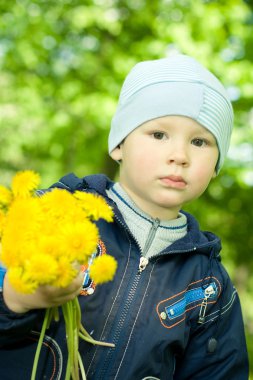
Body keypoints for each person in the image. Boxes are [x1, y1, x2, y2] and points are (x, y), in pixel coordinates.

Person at [0, 54, 249, 379]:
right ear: (119, 145)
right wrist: (15, 298)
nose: (180, 156)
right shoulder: (55, 214)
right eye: (159, 134)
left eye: (200, 141)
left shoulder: (208, 288)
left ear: (216, 167)